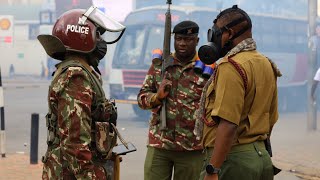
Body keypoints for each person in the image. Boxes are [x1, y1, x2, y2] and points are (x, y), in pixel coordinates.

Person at [38, 6, 126, 180]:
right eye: (98, 35)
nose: (101, 41)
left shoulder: (81, 71)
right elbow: (75, 142)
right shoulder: (75, 76)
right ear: (82, 37)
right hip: (72, 173)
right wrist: (89, 176)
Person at [195, 5, 282, 180]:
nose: (214, 39)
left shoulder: (231, 67)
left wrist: (213, 170)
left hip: (232, 161)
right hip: (261, 158)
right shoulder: (266, 64)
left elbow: (228, 124)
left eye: (216, 33)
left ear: (229, 33)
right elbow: (270, 118)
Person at [137, 20, 208, 180]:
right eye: (179, 39)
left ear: (197, 41)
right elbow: (141, 98)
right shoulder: (161, 65)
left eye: (188, 40)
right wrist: (157, 97)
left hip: (192, 148)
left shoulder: (205, 68)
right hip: (160, 144)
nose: (182, 43)